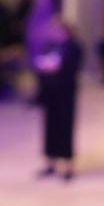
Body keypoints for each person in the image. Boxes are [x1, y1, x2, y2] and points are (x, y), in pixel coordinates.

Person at [33, 15, 82, 181]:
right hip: (51, 94)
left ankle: (68, 165)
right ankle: (51, 162)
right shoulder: (50, 46)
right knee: (50, 128)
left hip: (65, 94)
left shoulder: (74, 47)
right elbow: (41, 63)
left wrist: (56, 66)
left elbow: (71, 67)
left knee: (65, 128)